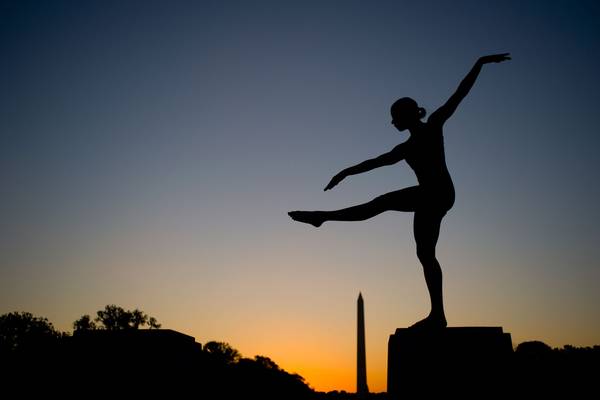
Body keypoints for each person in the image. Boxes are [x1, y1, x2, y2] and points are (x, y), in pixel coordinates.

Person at [289, 53, 511, 329]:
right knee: (424, 253)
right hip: (430, 195)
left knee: (380, 203)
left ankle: (321, 217)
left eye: (395, 117)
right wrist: (345, 172)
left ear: (407, 115)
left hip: (438, 192)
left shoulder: (433, 126)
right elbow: (375, 162)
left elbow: (460, 93)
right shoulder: (404, 148)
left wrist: (480, 63)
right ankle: (438, 315)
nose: (392, 122)